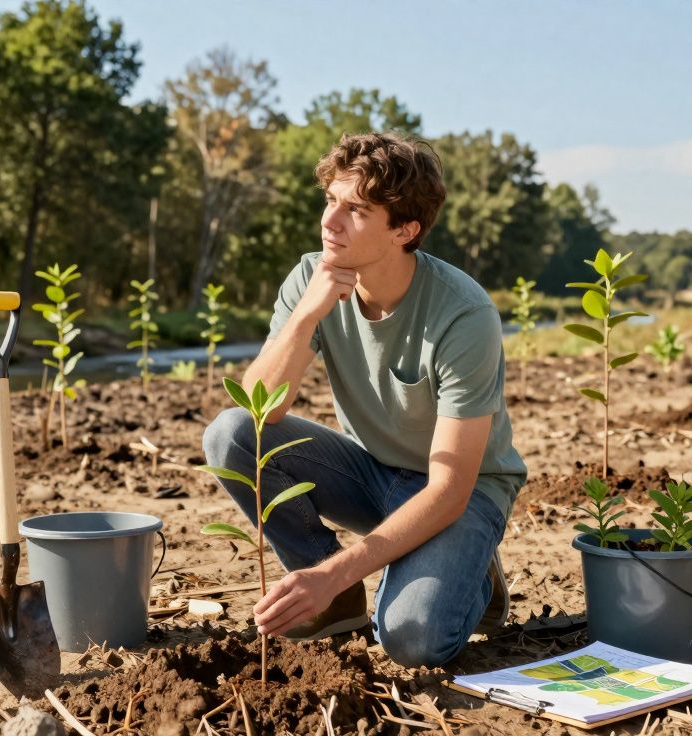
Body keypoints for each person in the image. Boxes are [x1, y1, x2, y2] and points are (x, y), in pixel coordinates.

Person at [201, 132, 527, 667]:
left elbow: (449, 489)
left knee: (411, 640)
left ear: (405, 229)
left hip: (461, 493)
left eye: (355, 210)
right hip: (372, 472)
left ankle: (475, 574)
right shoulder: (311, 278)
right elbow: (259, 411)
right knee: (230, 434)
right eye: (330, 200)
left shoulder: (464, 315)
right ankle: (339, 603)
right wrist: (307, 314)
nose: (329, 222)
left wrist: (334, 571)